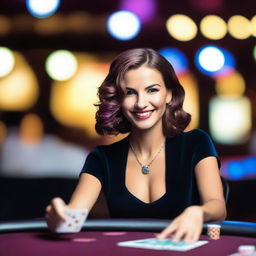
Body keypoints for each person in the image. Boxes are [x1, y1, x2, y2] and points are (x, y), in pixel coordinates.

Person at [45, 48, 226, 243]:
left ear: (169, 94)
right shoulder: (102, 157)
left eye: (152, 90)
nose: (141, 103)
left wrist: (198, 212)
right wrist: (59, 215)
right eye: (130, 92)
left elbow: (217, 207)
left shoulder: (196, 142)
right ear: (119, 99)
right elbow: (75, 213)